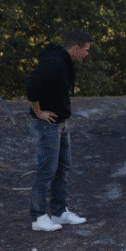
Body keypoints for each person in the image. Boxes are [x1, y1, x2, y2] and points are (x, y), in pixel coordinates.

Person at [26, 29, 91, 232]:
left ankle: (59, 213)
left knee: (62, 168)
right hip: (47, 126)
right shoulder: (55, 62)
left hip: (61, 124)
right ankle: (38, 217)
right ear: (76, 48)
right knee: (46, 171)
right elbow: (32, 83)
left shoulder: (64, 62)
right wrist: (38, 112)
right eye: (86, 50)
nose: (87, 54)